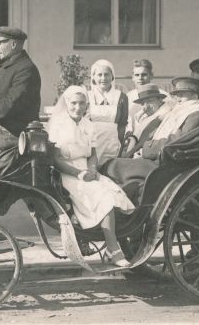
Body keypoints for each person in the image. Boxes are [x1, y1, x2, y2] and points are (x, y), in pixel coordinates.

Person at [47, 85, 135, 267]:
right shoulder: (58, 125)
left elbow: (92, 153)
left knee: (111, 192)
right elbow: (55, 159)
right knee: (104, 198)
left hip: (87, 169)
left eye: (81, 103)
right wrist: (79, 174)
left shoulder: (88, 124)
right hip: (68, 172)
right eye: (73, 103)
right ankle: (114, 249)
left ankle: (114, 244)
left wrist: (93, 169)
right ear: (66, 103)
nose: (77, 107)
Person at [102, 76, 199, 202]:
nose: (178, 98)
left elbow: (179, 141)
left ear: (194, 94)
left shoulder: (196, 113)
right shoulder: (182, 111)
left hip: (167, 166)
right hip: (163, 160)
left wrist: (147, 149)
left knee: (112, 165)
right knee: (117, 171)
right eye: (177, 94)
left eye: (182, 94)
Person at [87, 59, 128, 165]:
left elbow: (122, 125)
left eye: (107, 74)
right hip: (91, 145)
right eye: (99, 75)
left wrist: (120, 146)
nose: (103, 78)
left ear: (112, 76)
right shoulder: (87, 96)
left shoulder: (122, 97)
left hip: (112, 145)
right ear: (93, 77)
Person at [124, 83, 174, 157]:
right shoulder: (144, 115)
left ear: (160, 99)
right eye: (143, 103)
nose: (145, 107)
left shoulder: (164, 116)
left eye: (149, 101)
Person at [126, 59, 171, 132]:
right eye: (137, 75)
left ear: (151, 76)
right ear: (133, 78)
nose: (140, 78)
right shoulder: (128, 97)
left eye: (144, 75)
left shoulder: (164, 96)